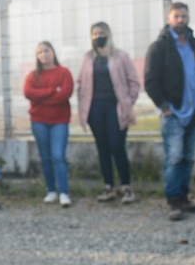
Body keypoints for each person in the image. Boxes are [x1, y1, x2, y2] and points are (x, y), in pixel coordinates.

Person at [145, 2, 195, 221]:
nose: (181, 20)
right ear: (168, 19)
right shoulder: (159, 47)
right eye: (176, 16)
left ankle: (184, 197)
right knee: (174, 157)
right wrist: (164, 106)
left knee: (189, 158)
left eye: (184, 16)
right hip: (173, 112)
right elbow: (150, 80)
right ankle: (173, 200)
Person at [77, 22, 140, 204]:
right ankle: (108, 186)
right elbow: (81, 83)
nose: (98, 37)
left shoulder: (121, 56)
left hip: (116, 108)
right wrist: (83, 104)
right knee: (102, 148)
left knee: (117, 146)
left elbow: (133, 81)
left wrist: (129, 101)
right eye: (94, 34)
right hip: (95, 108)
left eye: (101, 33)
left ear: (109, 34)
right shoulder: (88, 58)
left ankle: (126, 187)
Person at [24, 41, 74, 207]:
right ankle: (51, 191)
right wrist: (52, 91)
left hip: (59, 121)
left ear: (53, 52)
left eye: (46, 50)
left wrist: (41, 99)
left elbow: (65, 94)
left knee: (58, 156)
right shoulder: (33, 75)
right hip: (39, 121)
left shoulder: (64, 72)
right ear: (37, 56)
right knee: (45, 157)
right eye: (40, 52)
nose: (44, 54)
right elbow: (28, 92)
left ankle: (64, 193)